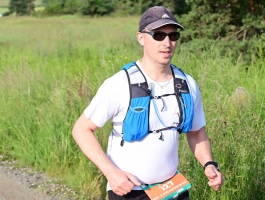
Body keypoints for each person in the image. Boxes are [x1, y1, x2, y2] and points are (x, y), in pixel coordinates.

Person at [72, 6, 223, 200]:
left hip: (172, 189)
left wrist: (209, 164)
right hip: (129, 192)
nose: (167, 43)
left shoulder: (187, 84)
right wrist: (111, 173)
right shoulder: (119, 84)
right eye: (158, 35)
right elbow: (81, 129)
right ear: (141, 38)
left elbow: (196, 132)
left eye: (173, 35)